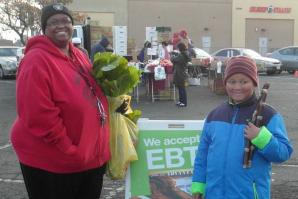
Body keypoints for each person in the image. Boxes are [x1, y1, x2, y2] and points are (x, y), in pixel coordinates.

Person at [10, 3, 110, 199]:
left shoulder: (78, 54)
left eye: (66, 21)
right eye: (53, 22)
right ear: (44, 29)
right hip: (56, 161)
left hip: (89, 158)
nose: (61, 26)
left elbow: (94, 93)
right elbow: (38, 115)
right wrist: (69, 150)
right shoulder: (36, 60)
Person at [191, 56, 293, 199]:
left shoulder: (268, 115)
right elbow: (202, 154)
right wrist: (199, 183)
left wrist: (261, 137)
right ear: (225, 83)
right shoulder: (214, 115)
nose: (237, 87)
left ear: (254, 82)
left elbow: (283, 153)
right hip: (214, 193)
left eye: (244, 82)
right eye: (232, 81)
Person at [171, 42, 191, 107]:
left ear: (180, 48)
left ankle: (184, 102)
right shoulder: (183, 54)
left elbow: (174, 60)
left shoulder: (182, 55)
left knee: (182, 88)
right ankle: (181, 101)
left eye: (178, 47)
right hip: (181, 73)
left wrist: (172, 57)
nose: (178, 49)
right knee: (180, 88)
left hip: (180, 73)